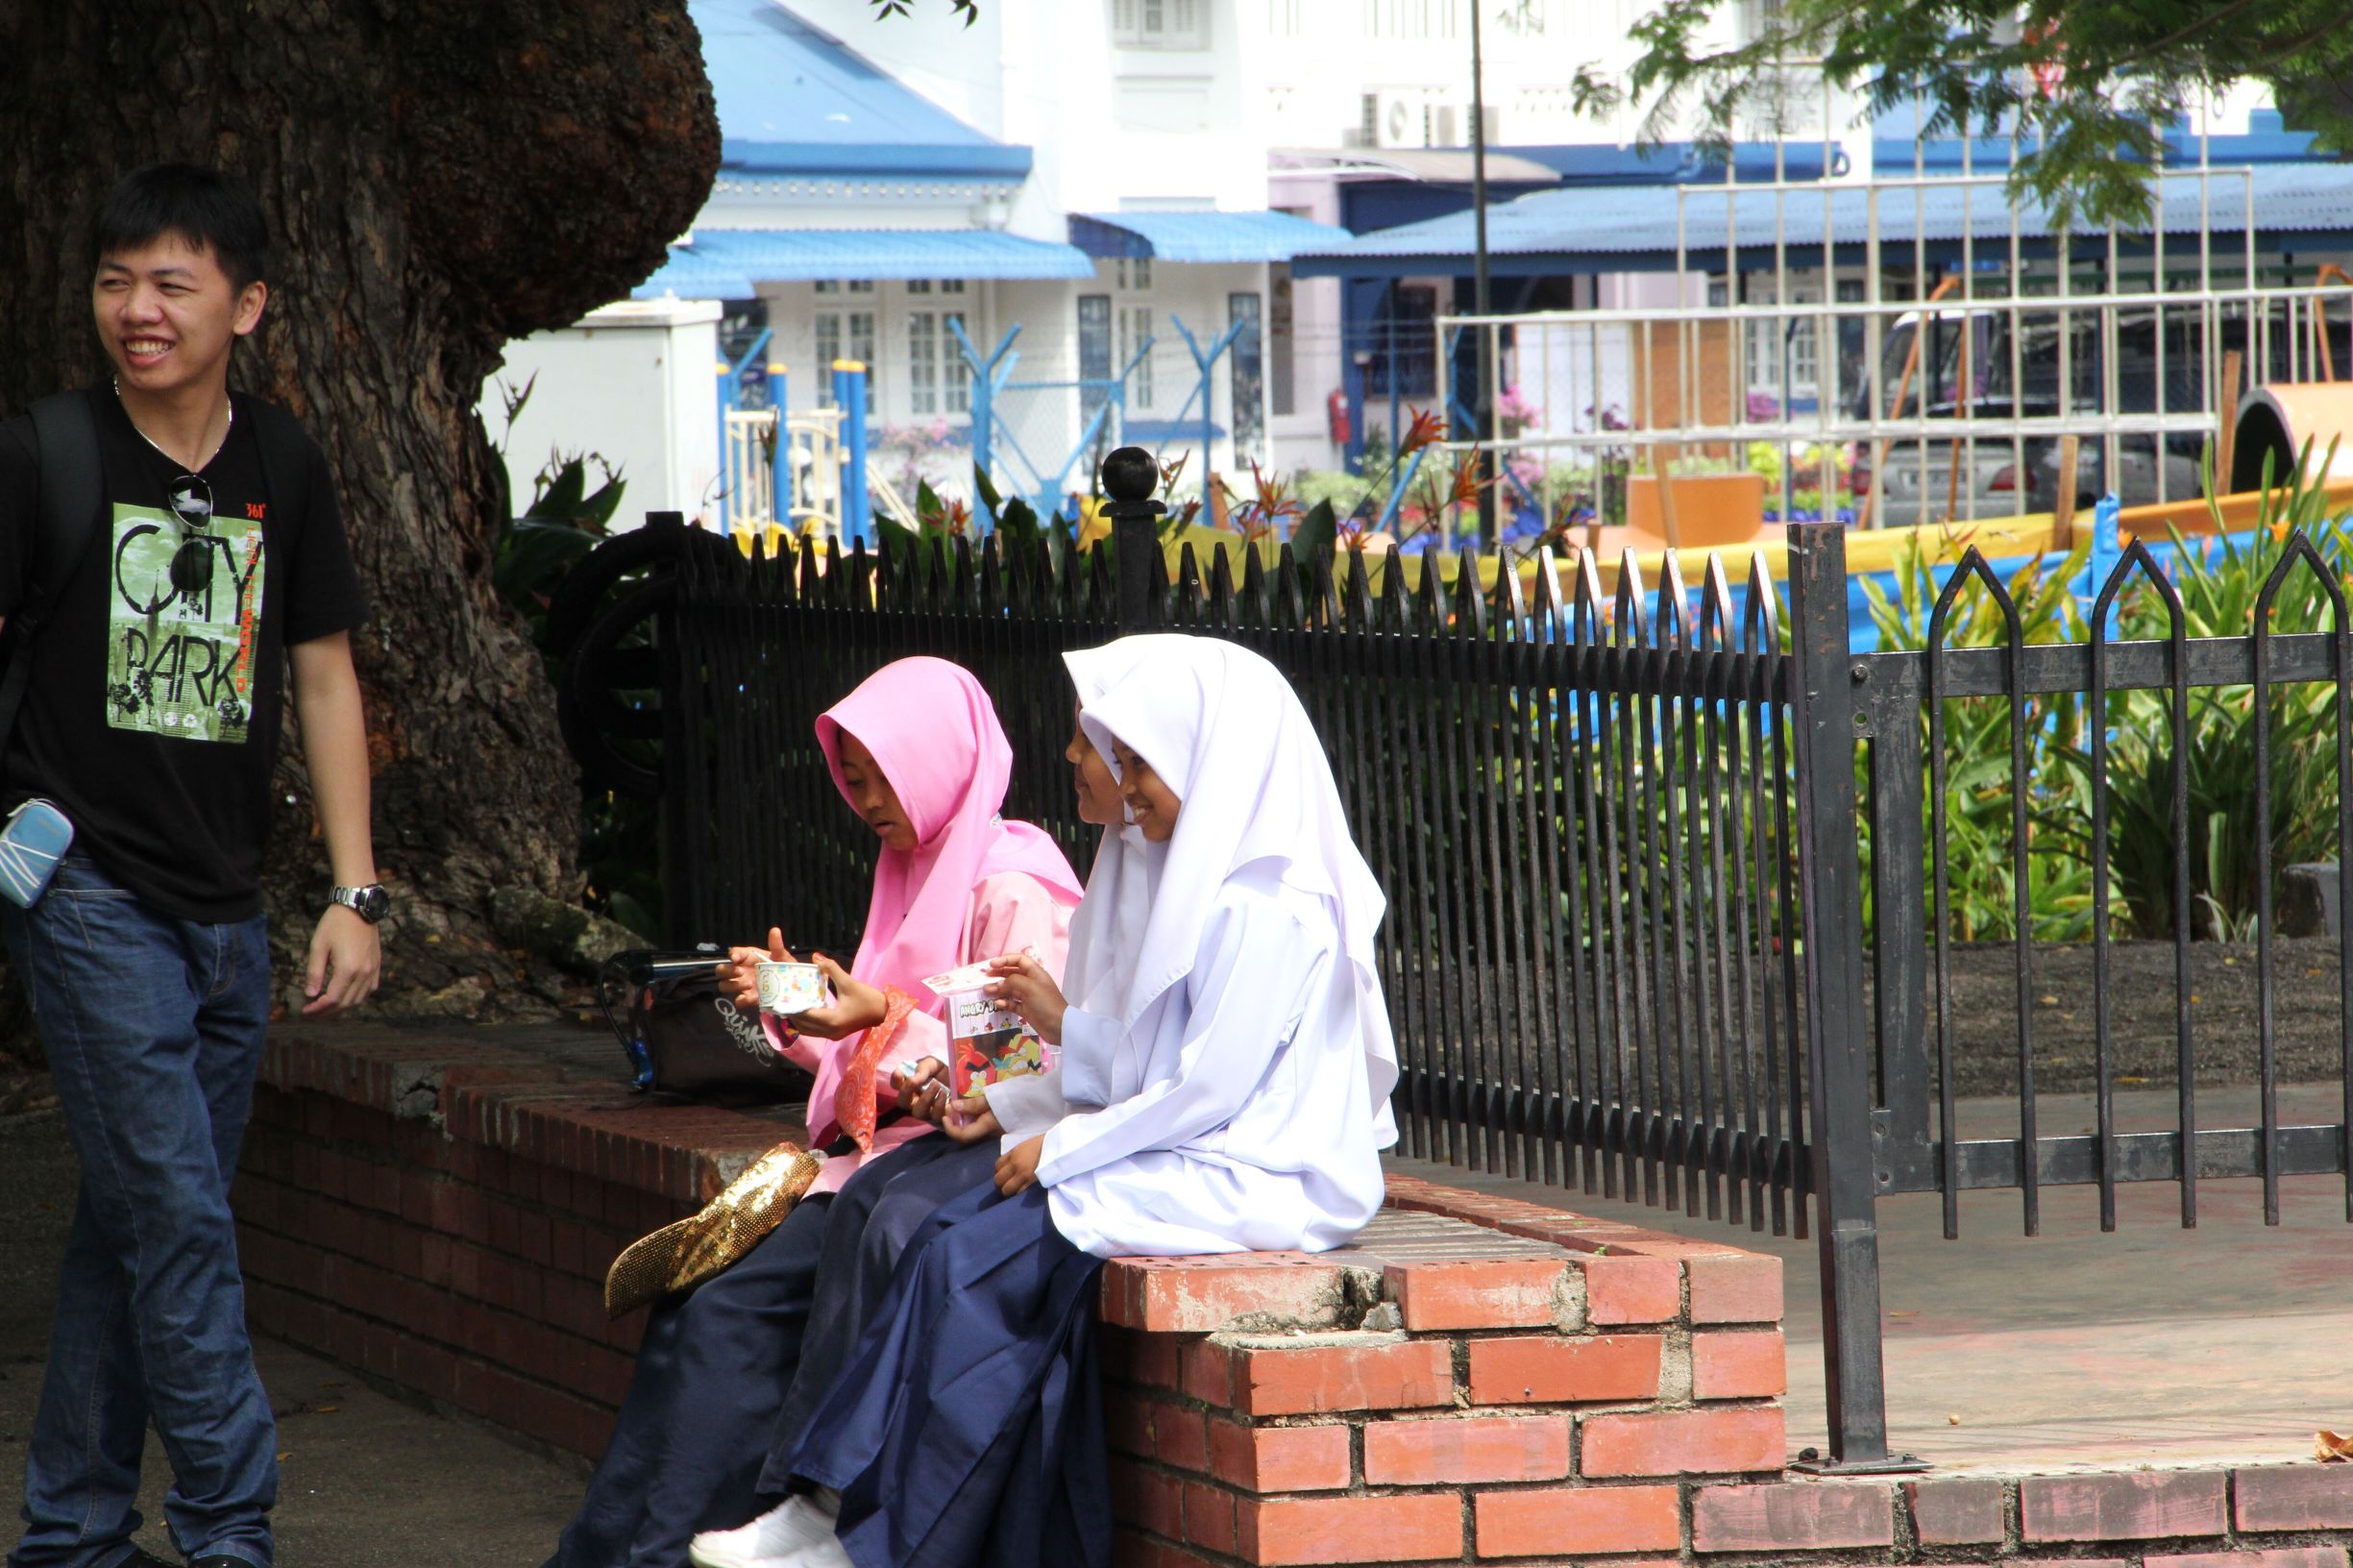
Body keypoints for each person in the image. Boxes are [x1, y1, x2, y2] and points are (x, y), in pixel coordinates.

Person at [713, 634, 1400, 1568]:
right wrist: (1022, 1103)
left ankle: (866, 1529)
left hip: (1252, 1171)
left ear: (1207, 761)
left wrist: (1062, 1145)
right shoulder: (1196, 884)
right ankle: (838, 1504)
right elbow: (1151, 1058)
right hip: (1185, 1148)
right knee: (944, 1245)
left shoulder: (1265, 908)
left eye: (1120, 754)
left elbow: (1202, 1089)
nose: (1083, 763)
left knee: (963, 1262)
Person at [0, 164, 381, 1568]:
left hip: (227, 910)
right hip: (88, 893)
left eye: (172, 283)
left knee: (135, 1225)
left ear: (248, 304)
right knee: (181, 1226)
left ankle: (73, 1534)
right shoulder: (42, 452)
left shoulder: (281, 461)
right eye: (115, 281)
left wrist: (353, 892)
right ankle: (232, 1535)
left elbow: (325, 675)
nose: (137, 310)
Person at [546, 657, 1082, 1568]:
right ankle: (624, 1548)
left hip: (941, 1168)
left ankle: (685, 1545)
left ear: (937, 759)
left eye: (882, 775)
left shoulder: (1012, 882)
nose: (866, 800)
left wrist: (875, 1014)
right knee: (696, 1303)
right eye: (853, 779)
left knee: (727, 1313)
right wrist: (795, 1013)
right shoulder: (909, 871)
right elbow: (871, 1048)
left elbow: (1008, 1069)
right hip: (877, 1161)